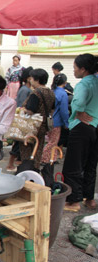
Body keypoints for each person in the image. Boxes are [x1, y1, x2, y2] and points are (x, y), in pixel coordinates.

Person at [62, 54, 98, 211]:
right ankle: (89, 199)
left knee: (74, 164)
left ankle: (73, 201)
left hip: (82, 127)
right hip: (95, 126)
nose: (74, 70)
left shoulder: (84, 83)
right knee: (91, 164)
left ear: (83, 69)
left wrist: (78, 112)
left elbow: (78, 102)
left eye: (75, 67)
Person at [19, 68, 55, 171]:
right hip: (43, 127)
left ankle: (27, 171)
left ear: (37, 80)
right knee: (38, 150)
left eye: (32, 79)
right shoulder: (51, 93)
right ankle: (35, 170)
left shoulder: (36, 93)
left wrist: (22, 110)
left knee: (27, 151)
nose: (30, 81)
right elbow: (52, 110)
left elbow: (30, 111)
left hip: (31, 128)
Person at [6, 67, 33, 172]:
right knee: (18, 143)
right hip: (22, 121)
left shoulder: (26, 89)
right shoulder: (24, 90)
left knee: (19, 144)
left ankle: (16, 163)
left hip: (23, 121)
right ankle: (10, 164)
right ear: (28, 78)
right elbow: (20, 107)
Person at [41, 73, 69, 166]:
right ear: (65, 82)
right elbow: (64, 111)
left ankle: (53, 157)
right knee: (53, 141)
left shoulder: (52, 91)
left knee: (51, 140)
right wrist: (66, 123)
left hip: (48, 120)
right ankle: (44, 158)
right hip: (56, 121)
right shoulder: (63, 93)